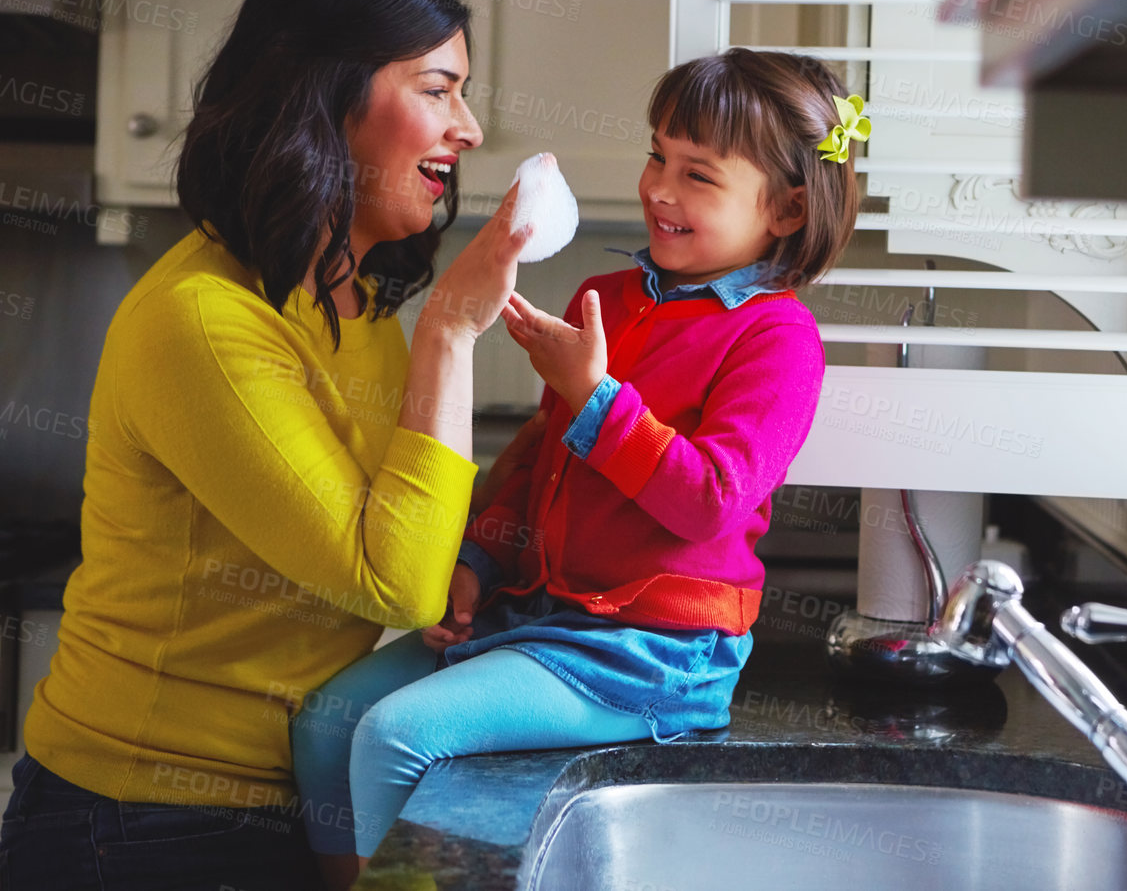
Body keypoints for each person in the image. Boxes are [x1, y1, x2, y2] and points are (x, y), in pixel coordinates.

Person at [0, 0, 539, 891]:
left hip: (265, 804)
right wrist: (453, 330)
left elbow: (405, 539)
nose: (470, 127)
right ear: (326, 102)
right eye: (435, 88)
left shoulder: (351, 303)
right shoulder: (207, 321)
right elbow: (391, 582)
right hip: (141, 826)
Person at [290, 48, 863, 881]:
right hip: (541, 614)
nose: (660, 189)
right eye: (656, 156)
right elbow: (535, 458)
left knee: (394, 732)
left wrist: (596, 399)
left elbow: (711, 500)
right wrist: (479, 558)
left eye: (698, 175)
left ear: (787, 209)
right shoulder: (608, 297)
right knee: (328, 719)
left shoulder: (778, 341)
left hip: (653, 652)